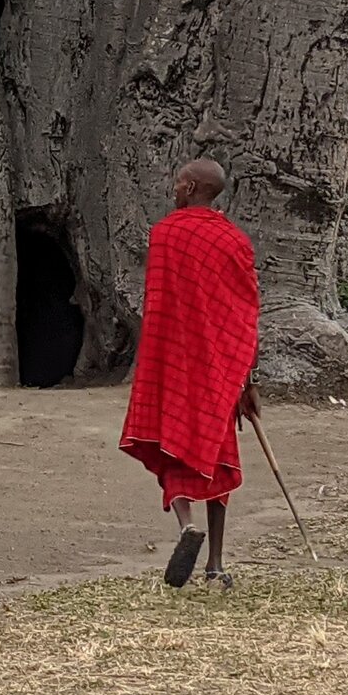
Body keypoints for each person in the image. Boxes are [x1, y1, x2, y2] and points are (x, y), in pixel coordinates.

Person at [119, 157, 261, 588]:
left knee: (174, 445)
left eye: (179, 182)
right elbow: (245, 312)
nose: (174, 188)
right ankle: (215, 563)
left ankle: (186, 528)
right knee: (217, 456)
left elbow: (160, 304)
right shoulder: (234, 241)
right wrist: (245, 379)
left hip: (175, 363)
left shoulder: (165, 235)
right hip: (219, 369)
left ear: (193, 186)